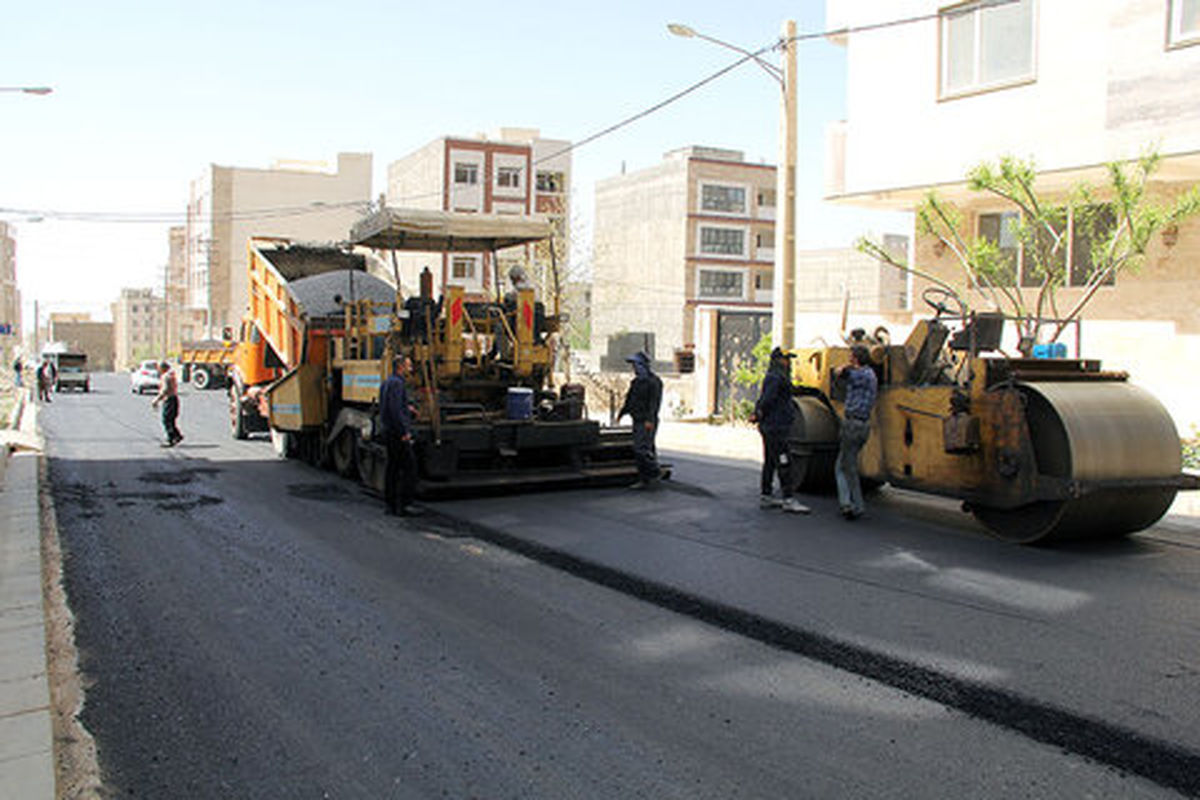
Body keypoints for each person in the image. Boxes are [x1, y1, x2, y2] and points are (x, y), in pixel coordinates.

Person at [751, 347, 810, 514]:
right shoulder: (776, 378)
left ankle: (766, 496)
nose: (788, 362)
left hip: (772, 426)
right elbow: (767, 400)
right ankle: (788, 499)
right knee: (784, 461)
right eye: (786, 359)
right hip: (776, 427)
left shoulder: (776, 377)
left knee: (770, 461)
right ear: (778, 360)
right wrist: (758, 412)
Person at [834, 344, 878, 520]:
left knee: (847, 467)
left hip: (852, 425)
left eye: (851, 356)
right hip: (863, 425)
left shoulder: (861, 375)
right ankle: (846, 502)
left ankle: (853, 505)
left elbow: (840, 373)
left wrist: (845, 367)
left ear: (856, 358)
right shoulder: (872, 375)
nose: (849, 359)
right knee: (841, 465)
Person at [379, 354, 419, 516]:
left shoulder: (387, 382)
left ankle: (390, 505)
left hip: (389, 430)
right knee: (409, 468)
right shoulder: (397, 384)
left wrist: (407, 409)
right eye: (408, 365)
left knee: (392, 468)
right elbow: (395, 411)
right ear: (400, 367)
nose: (411, 369)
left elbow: (390, 406)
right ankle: (403, 505)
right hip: (397, 433)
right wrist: (404, 432)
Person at [617, 351, 663, 489]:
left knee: (641, 449)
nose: (634, 368)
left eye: (636, 365)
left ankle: (655, 471)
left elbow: (654, 403)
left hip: (647, 421)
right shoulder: (636, 382)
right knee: (647, 448)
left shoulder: (654, 382)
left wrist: (650, 419)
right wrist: (622, 412)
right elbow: (630, 399)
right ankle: (645, 479)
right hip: (637, 419)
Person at [150, 361, 183, 447]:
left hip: (169, 400)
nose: (158, 370)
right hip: (174, 399)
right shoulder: (171, 375)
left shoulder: (165, 377)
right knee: (171, 419)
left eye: (159, 368)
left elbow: (165, 390)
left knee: (166, 420)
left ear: (162, 368)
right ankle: (177, 435)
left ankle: (171, 438)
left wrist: (156, 400)